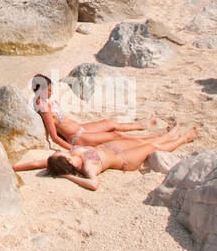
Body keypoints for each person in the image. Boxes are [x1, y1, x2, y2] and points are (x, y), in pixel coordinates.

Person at [13, 127, 199, 190]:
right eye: (65, 155)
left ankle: (169, 135)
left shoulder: (70, 158)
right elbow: (94, 184)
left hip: (112, 148)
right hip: (125, 160)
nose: (67, 152)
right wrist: (68, 177)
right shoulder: (87, 167)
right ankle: (183, 138)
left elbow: (36, 163)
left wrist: (11, 167)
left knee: (146, 140)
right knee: (151, 147)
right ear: (68, 164)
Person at [30, 75, 160, 150]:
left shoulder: (42, 101)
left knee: (109, 124)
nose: (51, 93)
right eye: (48, 90)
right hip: (77, 138)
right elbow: (54, 137)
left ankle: (143, 126)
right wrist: (73, 149)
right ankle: (149, 139)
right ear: (40, 89)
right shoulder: (43, 108)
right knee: (115, 135)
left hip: (80, 128)